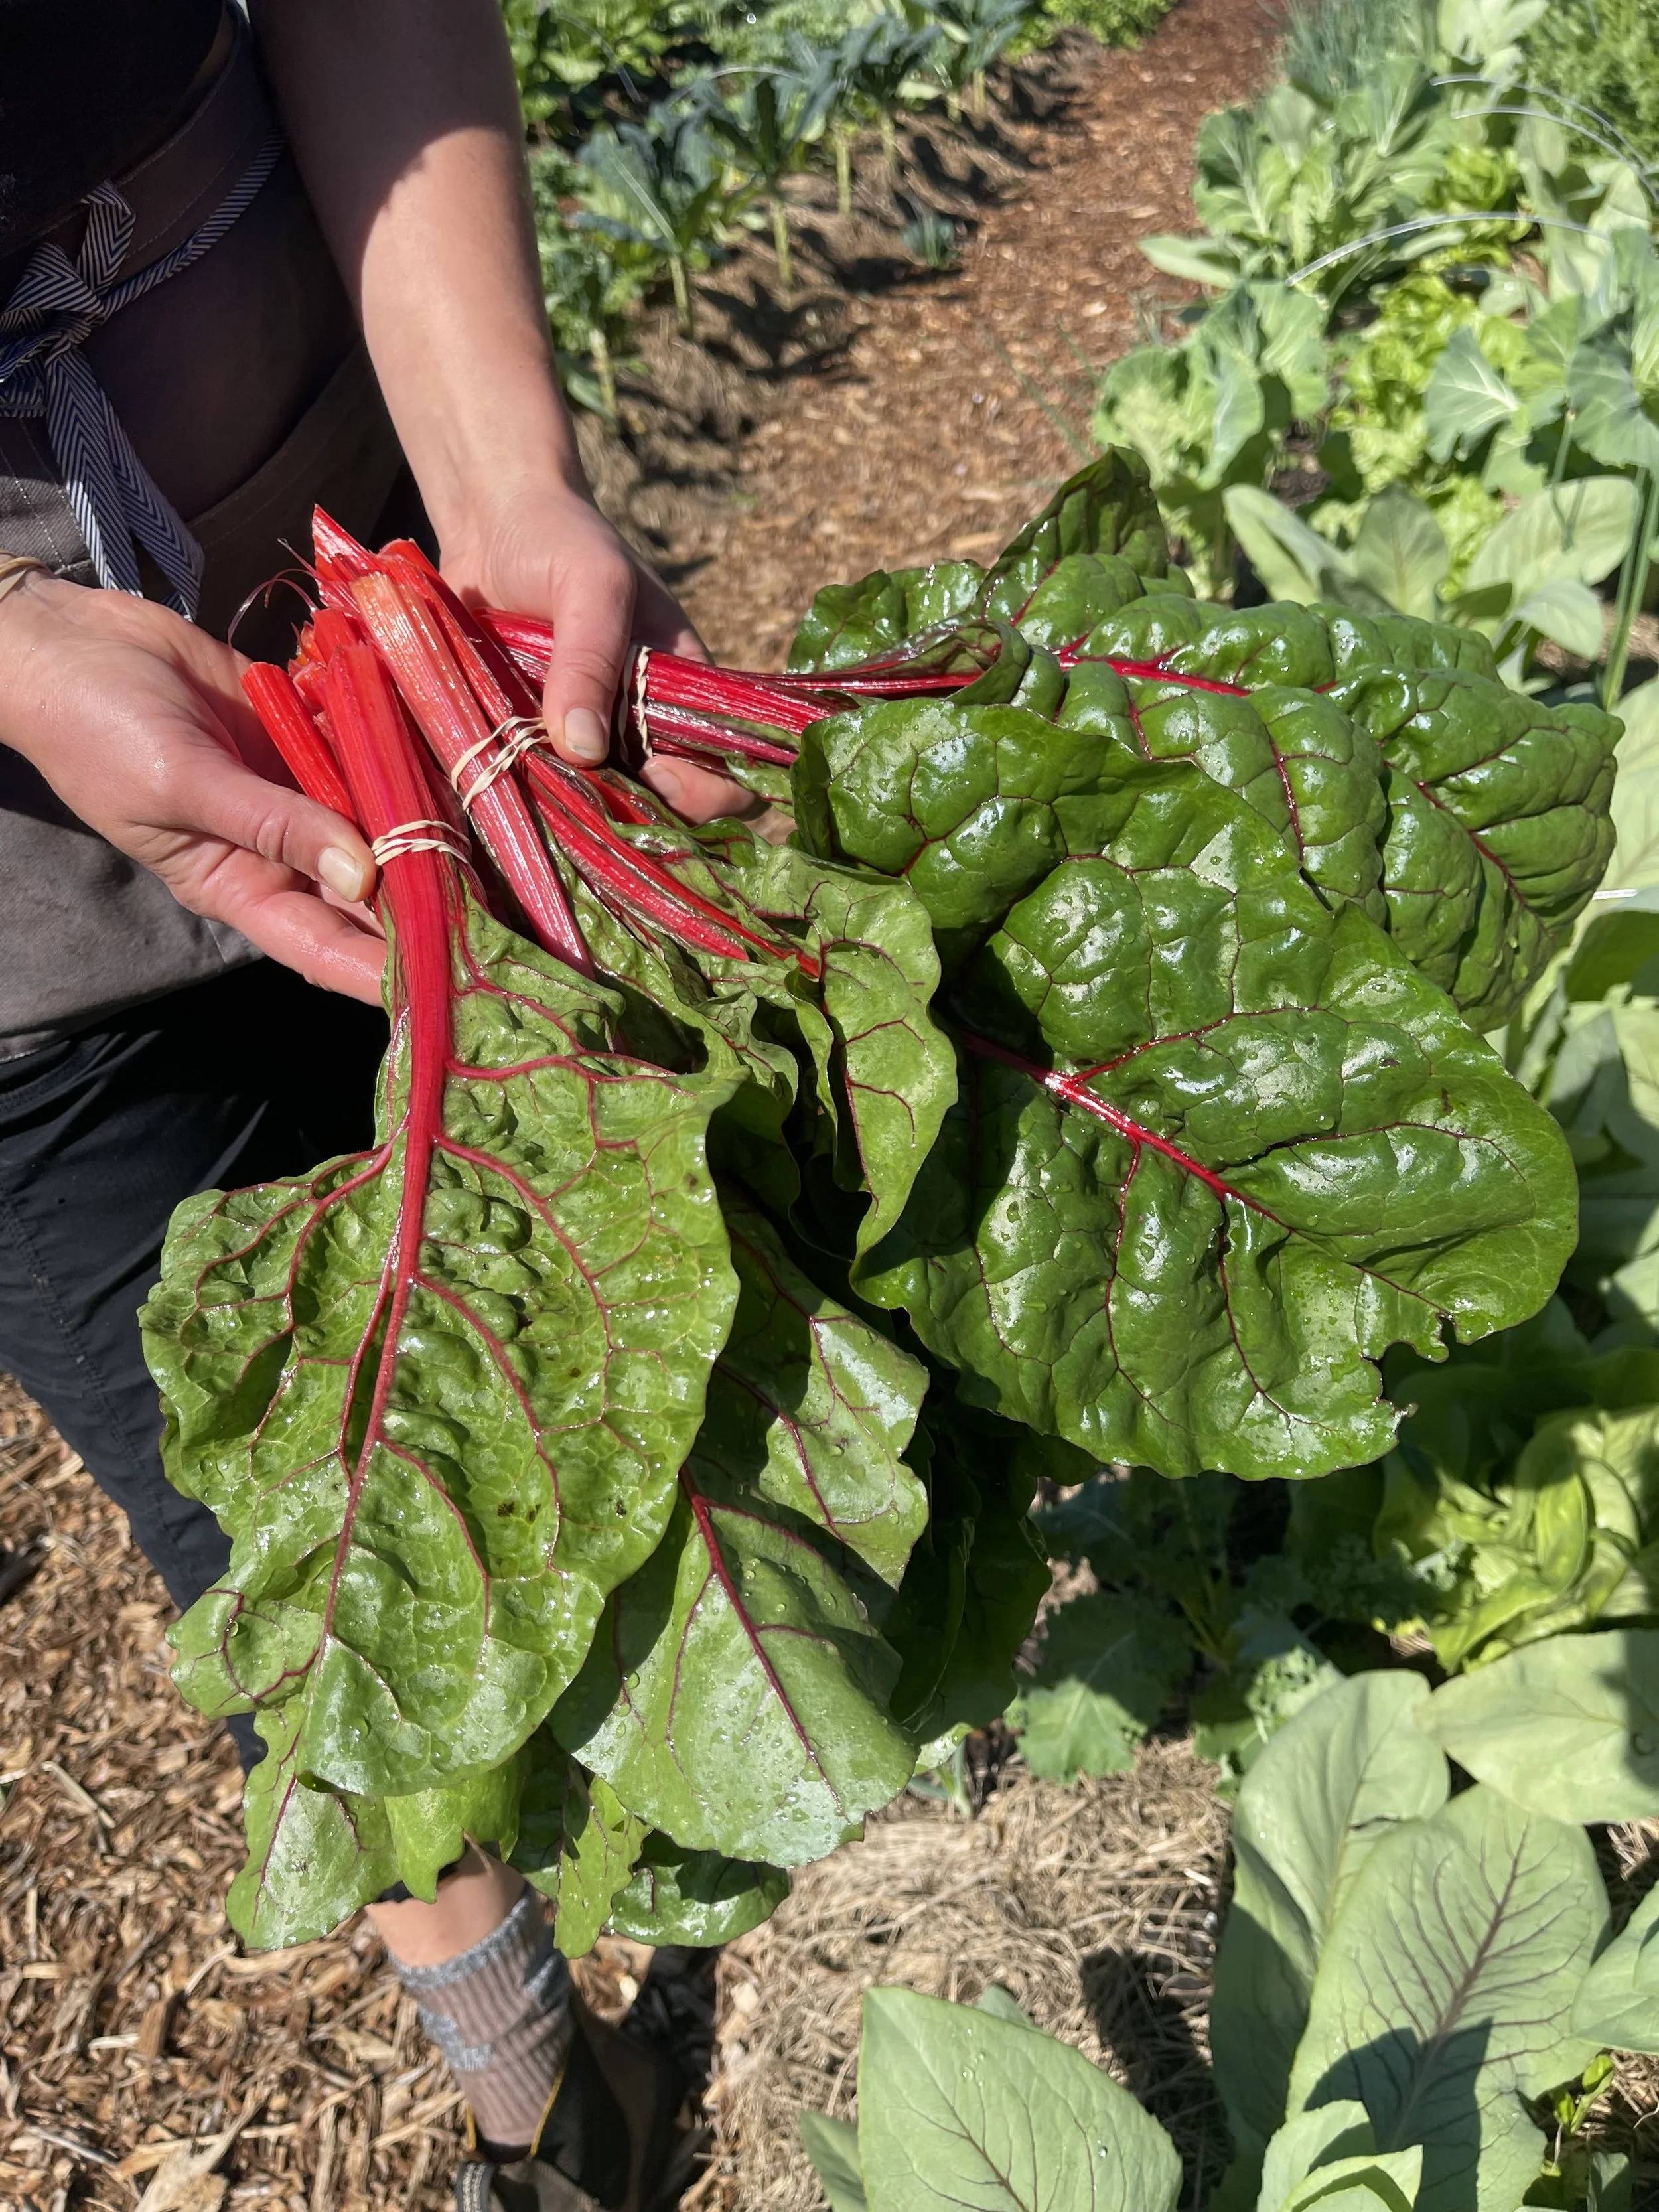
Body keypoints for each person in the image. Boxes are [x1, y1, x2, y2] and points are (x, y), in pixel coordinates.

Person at [0, 5, 739, 2205]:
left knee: (635, 1244)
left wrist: (509, 484)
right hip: (24, 923)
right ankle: (541, 2089)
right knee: (288, 1519)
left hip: (371, 536)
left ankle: (731, 1819)